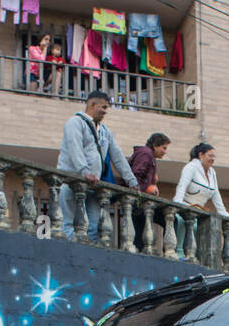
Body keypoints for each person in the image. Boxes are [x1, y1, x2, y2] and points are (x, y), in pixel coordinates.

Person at [57, 90, 140, 240]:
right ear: (93, 105)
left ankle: (89, 261)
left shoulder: (105, 131)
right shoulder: (75, 122)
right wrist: (84, 171)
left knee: (94, 227)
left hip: (93, 186)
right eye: (104, 107)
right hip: (71, 182)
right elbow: (74, 148)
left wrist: (132, 181)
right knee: (69, 223)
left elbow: (118, 157)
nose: (105, 112)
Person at [173, 142, 229, 256]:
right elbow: (182, 186)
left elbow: (215, 194)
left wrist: (224, 213)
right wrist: (177, 205)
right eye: (210, 155)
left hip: (198, 213)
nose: (213, 159)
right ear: (201, 155)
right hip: (184, 209)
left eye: (214, 156)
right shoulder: (191, 167)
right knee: (181, 242)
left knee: (196, 244)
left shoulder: (212, 172)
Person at [128, 133, 170, 249]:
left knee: (139, 237)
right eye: (164, 148)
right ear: (155, 145)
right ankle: (168, 251)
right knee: (170, 220)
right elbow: (135, 177)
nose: (165, 151)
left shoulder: (149, 156)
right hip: (137, 203)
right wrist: (148, 189)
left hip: (140, 203)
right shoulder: (145, 154)